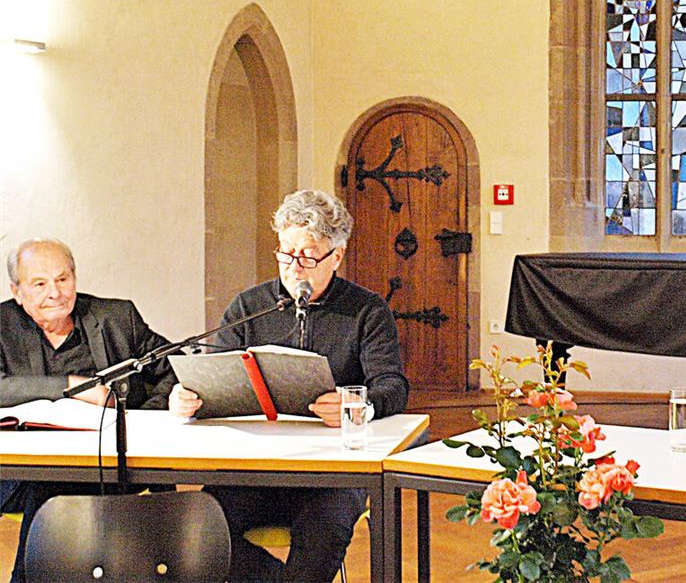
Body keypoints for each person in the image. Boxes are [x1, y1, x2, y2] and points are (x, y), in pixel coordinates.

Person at [169, 189, 409, 582]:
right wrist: (187, 398)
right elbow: (212, 374)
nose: (295, 266)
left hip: (334, 473)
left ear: (337, 256)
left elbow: (392, 385)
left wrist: (357, 405)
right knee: (199, 528)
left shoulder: (366, 310)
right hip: (255, 467)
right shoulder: (249, 307)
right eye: (286, 252)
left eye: (309, 253)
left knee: (324, 529)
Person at [0, 238, 177, 583]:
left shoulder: (116, 317)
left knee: (63, 487)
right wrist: (72, 386)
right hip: (24, 472)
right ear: (17, 291)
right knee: (49, 482)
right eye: (39, 284)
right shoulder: (0, 325)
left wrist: (138, 418)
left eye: (63, 279)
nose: (55, 292)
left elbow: (174, 367)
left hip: (109, 464)